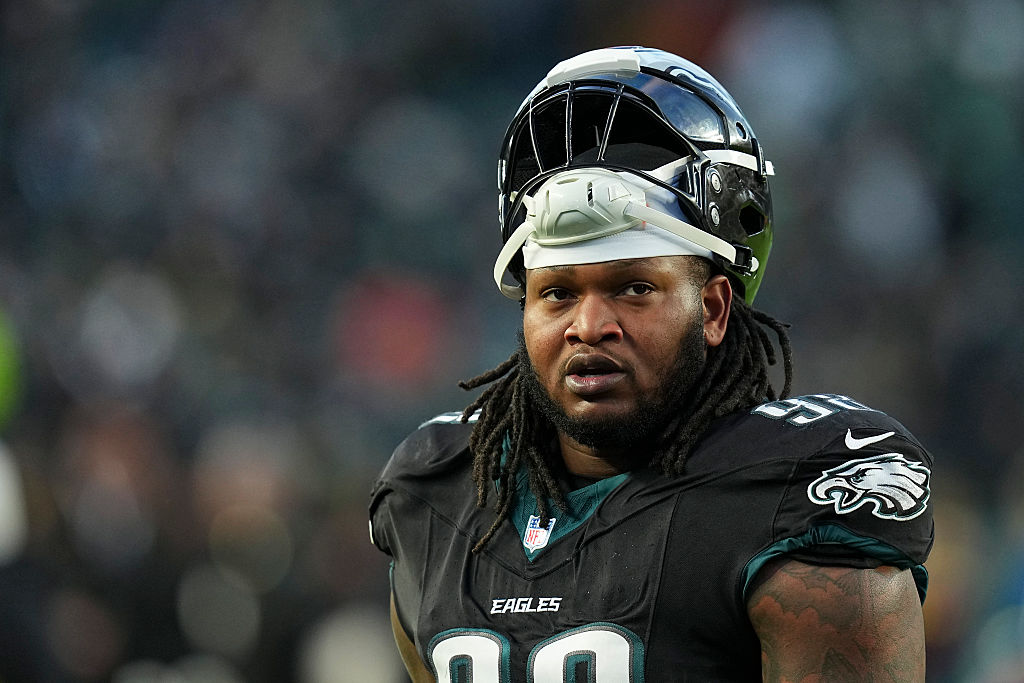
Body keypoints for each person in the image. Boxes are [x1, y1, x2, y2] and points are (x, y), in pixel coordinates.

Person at [369, 46, 933, 681]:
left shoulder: (797, 490)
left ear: (715, 308)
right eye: (558, 292)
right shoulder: (437, 492)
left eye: (633, 288)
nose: (588, 325)